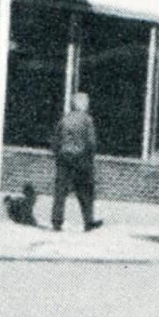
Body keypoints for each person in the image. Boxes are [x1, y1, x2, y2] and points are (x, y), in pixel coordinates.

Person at [51, 91, 103, 232]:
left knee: (60, 191)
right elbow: (91, 142)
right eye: (87, 103)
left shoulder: (64, 119)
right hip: (81, 159)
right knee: (85, 191)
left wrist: (58, 156)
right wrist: (90, 159)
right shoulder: (87, 120)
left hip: (64, 158)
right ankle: (88, 221)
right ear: (84, 104)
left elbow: (56, 141)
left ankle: (57, 222)